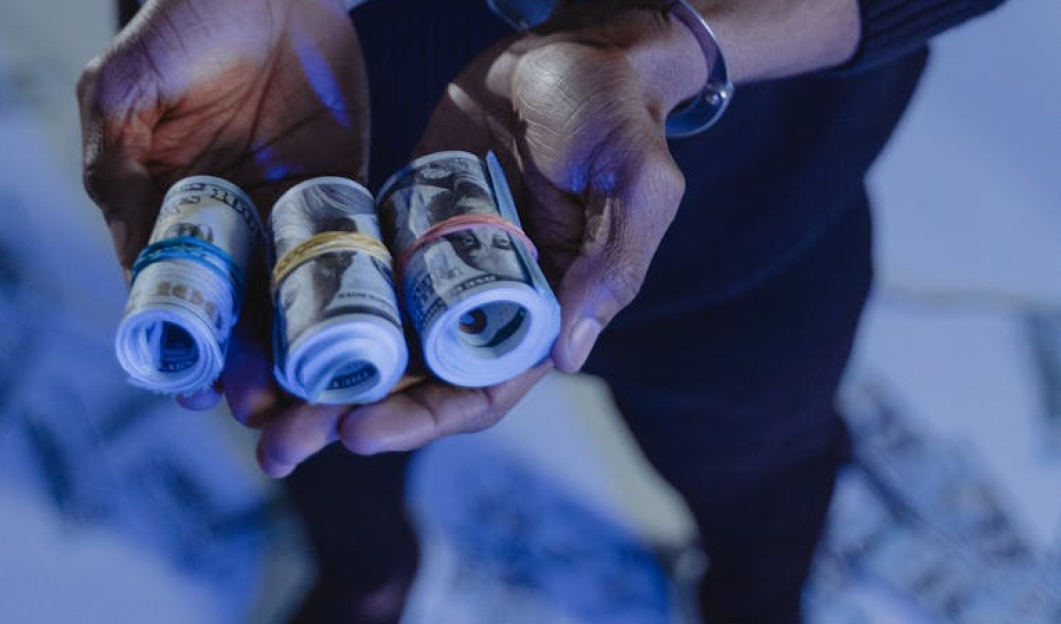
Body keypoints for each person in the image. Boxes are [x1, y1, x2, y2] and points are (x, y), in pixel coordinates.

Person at [79, 0, 1009, 622]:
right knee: (324, 426)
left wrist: (671, 38)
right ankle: (365, 580)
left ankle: (754, 605)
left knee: (757, 473)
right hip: (274, 102)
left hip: (744, 200)